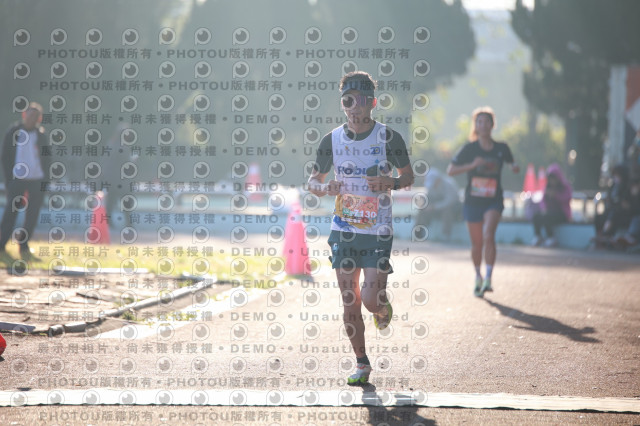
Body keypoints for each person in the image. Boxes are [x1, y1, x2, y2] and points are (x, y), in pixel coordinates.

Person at [307, 71, 414, 385]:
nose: (354, 108)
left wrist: (391, 182)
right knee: (349, 300)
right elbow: (313, 181)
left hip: (377, 230)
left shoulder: (389, 138)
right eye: (347, 101)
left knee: (369, 298)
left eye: (360, 101)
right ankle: (362, 363)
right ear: (342, 104)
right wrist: (324, 188)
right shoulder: (331, 140)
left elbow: (409, 177)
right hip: (343, 230)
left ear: (372, 103)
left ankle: (381, 308)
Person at [447, 106, 519, 297]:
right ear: (475, 126)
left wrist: (515, 167)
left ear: (492, 125)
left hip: (493, 200)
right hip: (473, 201)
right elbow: (451, 170)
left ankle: (488, 277)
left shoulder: (502, 148)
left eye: (487, 121)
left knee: (488, 235)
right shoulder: (469, 149)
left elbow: (512, 163)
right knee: (477, 243)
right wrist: (472, 165)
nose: (483, 125)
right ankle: (478, 276)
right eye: (479, 122)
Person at [0, 102, 50, 262]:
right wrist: (9, 179)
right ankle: (2, 243)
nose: (32, 119)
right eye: (30, 115)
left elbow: (48, 159)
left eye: (35, 116)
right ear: (24, 115)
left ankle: (24, 245)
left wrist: (46, 180)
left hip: (36, 179)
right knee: (11, 213)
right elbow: (5, 156)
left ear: (39, 119)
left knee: (32, 214)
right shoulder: (13, 132)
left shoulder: (41, 136)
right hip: (17, 179)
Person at [531, 163, 572, 247]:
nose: (552, 181)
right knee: (536, 216)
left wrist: (556, 195)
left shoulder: (565, 186)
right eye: (550, 179)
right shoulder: (547, 187)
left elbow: (567, 198)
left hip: (562, 214)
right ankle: (538, 236)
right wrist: (544, 208)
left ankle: (551, 237)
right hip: (549, 212)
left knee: (547, 217)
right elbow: (543, 201)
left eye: (553, 178)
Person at [415, 168, 462, 240]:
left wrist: (434, 207)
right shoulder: (431, 186)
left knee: (447, 211)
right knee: (423, 208)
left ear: (438, 180)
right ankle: (418, 233)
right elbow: (429, 197)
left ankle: (446, 235)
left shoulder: (449, 184)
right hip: (438, 207)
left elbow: (449, 202)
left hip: (453, 208)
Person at [593, 164, 633, 247]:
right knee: (599, 217)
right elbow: (610, 199)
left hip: (623, 213)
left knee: (613, 214)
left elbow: (627, 204)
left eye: (617, 175)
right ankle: (600, 236)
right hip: (611, 210)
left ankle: (605, 234)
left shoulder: (627, 187)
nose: (615, 177)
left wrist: (620, 203)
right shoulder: (613, 186)